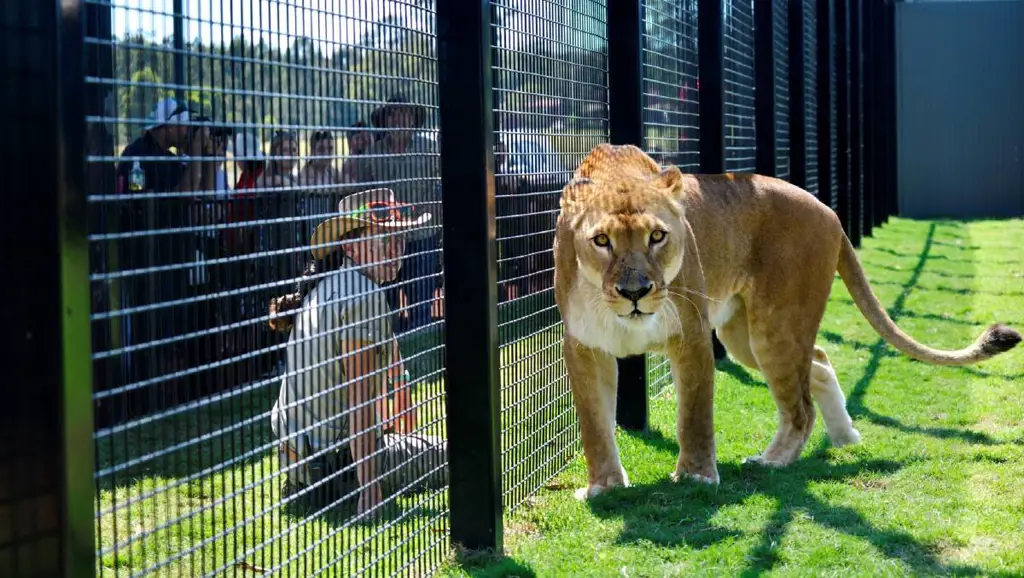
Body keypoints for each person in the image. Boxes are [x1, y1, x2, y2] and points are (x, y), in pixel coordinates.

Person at [266, 187, 448, 519]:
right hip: (339, 471)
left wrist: (400, 383)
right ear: (350, 245)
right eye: (383, 239)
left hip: (300, 468)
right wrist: (371, 493)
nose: (396, 250)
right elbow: (360, 401)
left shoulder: (333, 284)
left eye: (401, 240)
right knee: (458, 453)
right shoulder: (364, 297)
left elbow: (385, 360)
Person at [344, 94, 443, 333]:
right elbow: (362, 201)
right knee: (384, 310)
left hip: (422, 238)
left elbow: (442, 188)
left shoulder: (430, 150)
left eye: (404, 113)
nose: (399, 119)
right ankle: (390, 362)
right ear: (386, 120)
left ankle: (422, 363)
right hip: (383, 244)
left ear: (412, 119)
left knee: (421, 309)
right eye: (394, 113)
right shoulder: (370, 156)